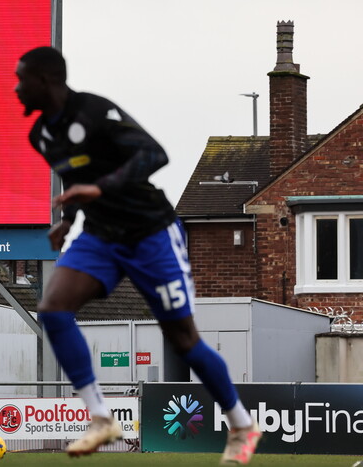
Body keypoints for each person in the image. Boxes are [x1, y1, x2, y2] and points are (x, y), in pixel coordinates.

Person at [15, 47, 261, 465]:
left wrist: (99, 190)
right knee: (53, 309)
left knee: (183, 340)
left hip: (151, 234)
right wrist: (69, 220)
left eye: (22, 78)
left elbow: (154, 154)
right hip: (99, 236)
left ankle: (241, 424)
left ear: (45, 80)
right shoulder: (40, 135)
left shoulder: (94, 112)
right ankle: (100, 417)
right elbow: (78, 179)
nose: (17, 88)